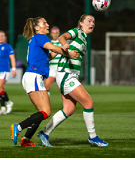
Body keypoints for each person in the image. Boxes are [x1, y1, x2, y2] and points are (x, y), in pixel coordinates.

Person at [37, 14, 108, 147]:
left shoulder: (84, 38)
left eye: (93, 21)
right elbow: (62, 37)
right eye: (89, 21)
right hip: (66, 74)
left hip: (70, 75)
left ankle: (44, 133)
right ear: (81, 23)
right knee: (88, 102)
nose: (92, 23)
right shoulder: (78, 31)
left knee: (69, 109)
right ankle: (93, 137)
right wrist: (65, 46)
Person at [10, 17, 79, 147]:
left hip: (33, 77)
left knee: (41, 113)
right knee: (46, 112)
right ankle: (18, 127)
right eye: (44, 23)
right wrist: (68, 53)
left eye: (47, 22)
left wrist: (63, 48)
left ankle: (26, 139)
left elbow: (50, 54)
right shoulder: (40, 36)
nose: (47, 25)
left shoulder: (37, 39)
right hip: (34, 76)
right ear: (37, 28)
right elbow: (52, 47)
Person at [0, 30, 16, 115]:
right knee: (1, 89)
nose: (1, 37)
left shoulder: (7, 46)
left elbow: (12, 58)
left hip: (5, 70)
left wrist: (14, 69)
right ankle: (3, 107)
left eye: (2, 36)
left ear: (5, 37)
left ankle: (9, 102)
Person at [45, 26, 62, 96]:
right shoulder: (49, 43)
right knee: (46, 86)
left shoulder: (62, 43)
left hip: (60, 68)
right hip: (51, 68)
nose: (55, 34)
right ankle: (45, 105)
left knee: (61, 88)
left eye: (56, 33)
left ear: (59, 34)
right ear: (51, 34)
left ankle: (67, 105)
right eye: (53, 33)